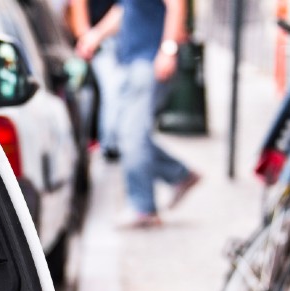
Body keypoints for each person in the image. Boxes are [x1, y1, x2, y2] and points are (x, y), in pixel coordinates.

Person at [77, 0, 200, 228]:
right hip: (130, 60)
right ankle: (179, 174)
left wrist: (168, 49)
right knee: (122, 135)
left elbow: (176, 5)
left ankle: (143, 208)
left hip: (148, 60)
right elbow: (125, 10)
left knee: (132, 135)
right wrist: (96, 35)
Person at [68, 0, 121, 160]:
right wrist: (85, 38)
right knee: (111, 91)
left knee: (114, 92)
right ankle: (110, 143)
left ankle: (111, 141)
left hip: (116, 38)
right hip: (100, 42)